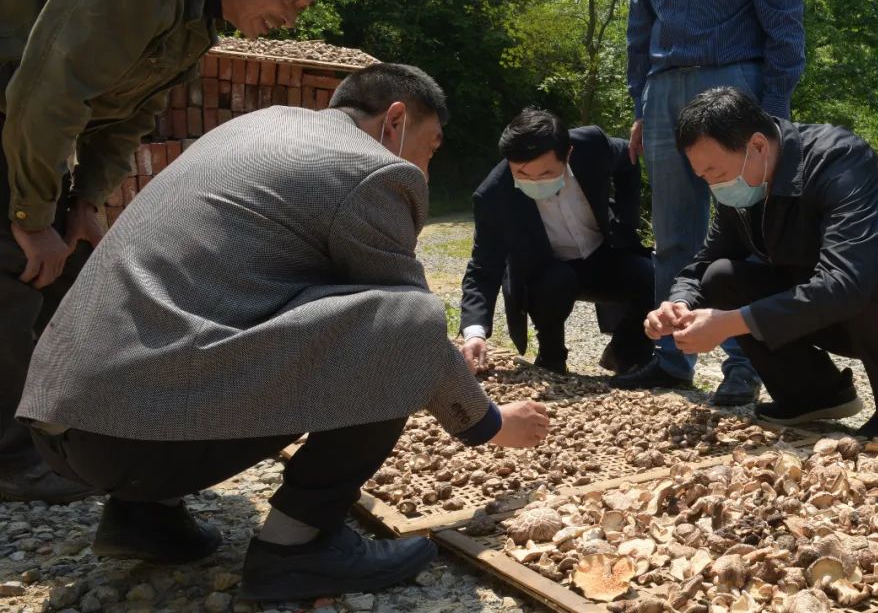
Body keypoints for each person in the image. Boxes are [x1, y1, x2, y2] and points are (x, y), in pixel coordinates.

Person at [16, 64, 550, 599]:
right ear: (394, 121)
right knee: (411, 317)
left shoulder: (255, 129)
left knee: (205, 309)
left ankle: (142, 517)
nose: (425, 169)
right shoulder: (370, 169)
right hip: (131, 439)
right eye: (430, 148)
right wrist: (490, 422)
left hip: (58, 422)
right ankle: (299, 546)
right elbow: (410, 332)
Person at [0, 0, 323, 502]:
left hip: (21, 120)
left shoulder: (195, 22)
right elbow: (47, 96)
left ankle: (55, 435)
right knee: (14, 274)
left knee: (69, 271)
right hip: (17, 112)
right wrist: (31, 219)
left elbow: (129, 117)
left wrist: (82, 205)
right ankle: (13, 460)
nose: (292, 17)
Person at [643, 87, 878, 443]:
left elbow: (847, 282)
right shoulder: (745, 186)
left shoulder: (840, 161)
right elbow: (706, 262)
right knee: (722, 277)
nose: (716, 187)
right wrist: (678, 304)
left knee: (871, 277)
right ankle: (815, 396)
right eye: (705, 178)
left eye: (718, 173)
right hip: (825, 310)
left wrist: (729, 322)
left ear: (757, 146)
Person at [615, 0, 805, 406]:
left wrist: (771, 118)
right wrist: (641, 103)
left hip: (735, 84)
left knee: (743, 236)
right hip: (664, 89)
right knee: (673, 237)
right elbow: (640, 23)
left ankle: (746, 366)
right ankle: (672, 358)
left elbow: (785, 26)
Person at [460, 108, 654, 376]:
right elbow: (483, 267)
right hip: (549, 272)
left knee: (652, 276)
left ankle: (625, 353)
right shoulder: (493, 194)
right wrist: (474, 332)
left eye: (546, 173)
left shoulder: (592, 145)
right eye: (522, 174)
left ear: (568, 154)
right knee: (555, 282)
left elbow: (627, 160)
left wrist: (625, 224)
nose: (534, 181)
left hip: (603, 255)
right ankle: (551, 358)